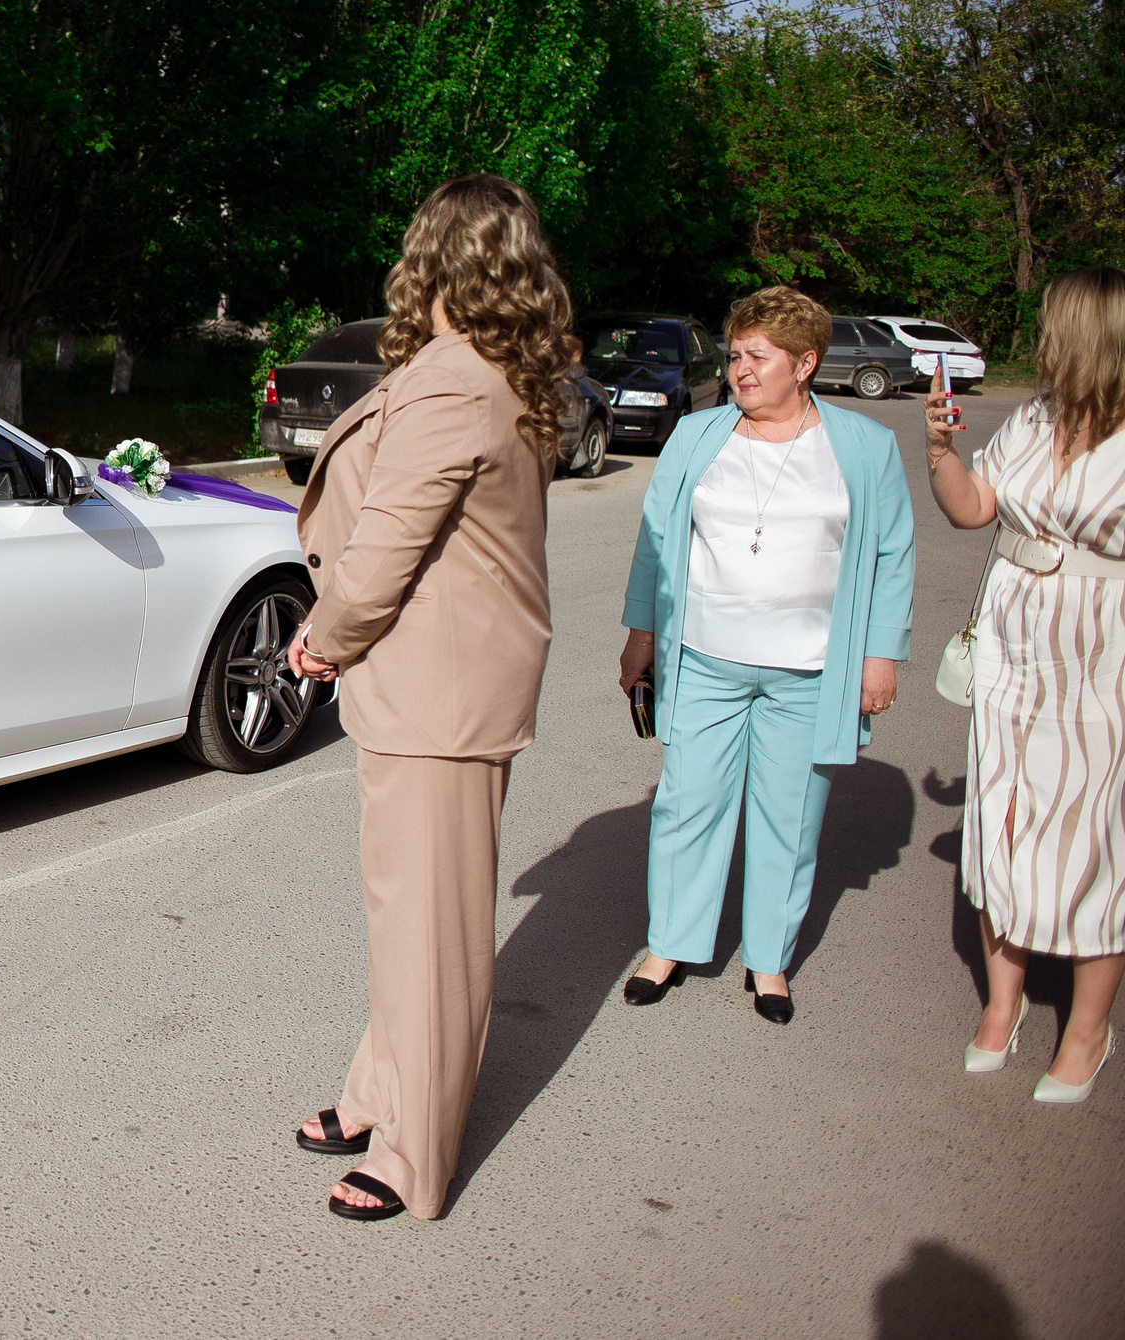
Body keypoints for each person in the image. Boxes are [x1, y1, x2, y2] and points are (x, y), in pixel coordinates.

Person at [284, 174, 573, 1223]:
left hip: (438, 691)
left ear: (435, 254)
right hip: (432, 683)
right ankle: (376, 1092)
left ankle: (415, 1156)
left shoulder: (455, 379)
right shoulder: (484, 367)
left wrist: (324, 637)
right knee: (403, 912)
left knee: (432, 934)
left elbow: (385, 549)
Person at [617, 286, 914, 1024]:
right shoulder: (699, 435)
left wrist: (881, 655)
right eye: (736, 353)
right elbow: (657, 542)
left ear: (805, 363)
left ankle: (770, 961)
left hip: (810, 670)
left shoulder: (863, 445)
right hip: (705, 657)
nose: (741, 368)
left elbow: (892, 554)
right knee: (688, 805)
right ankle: (670, 946)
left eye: (759, 356)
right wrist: (641, 634)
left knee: (789, 816)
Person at [924, 267, 1125, 1102]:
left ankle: (1087, 1030)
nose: (1038, 335)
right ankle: (1001, 1006)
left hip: (1100, 648)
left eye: (1050, 324)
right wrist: (939, 449)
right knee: (999, 817)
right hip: (1012, 643)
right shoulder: (1035, 419)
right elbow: (972, 508)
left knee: (1091, 830)